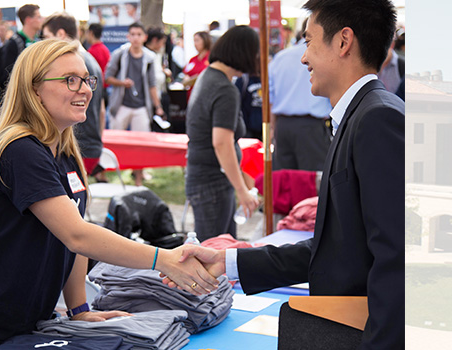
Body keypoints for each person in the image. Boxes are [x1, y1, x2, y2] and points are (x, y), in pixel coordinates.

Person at [170, 0, 404, 348]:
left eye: (309, 41)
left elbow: (396, 259)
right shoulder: (359, 116)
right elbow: (338, 249)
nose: (303, 57)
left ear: (343, 42)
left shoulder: (376, 120)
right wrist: (229, 260)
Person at [0, 39, 218, 349]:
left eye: (87, 79)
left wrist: (79, 310)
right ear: (34, 89)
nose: (85, 89)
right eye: (70, 80)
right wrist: (163, 259)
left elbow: (73, 239)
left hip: (31, 323)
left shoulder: (64, 153)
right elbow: (78, 235)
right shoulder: (20, 150)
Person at [184, 25, 261, 242]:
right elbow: (221, 143)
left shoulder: (208, 76)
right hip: (213, 183)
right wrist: (242, 190)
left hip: (206, 179)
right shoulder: (224, 89)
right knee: (214, 251)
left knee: (220, 248)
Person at [41, 12, 106, 179]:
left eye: (47, 36)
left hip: (76, 145)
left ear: (61, 34)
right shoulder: (91, 62)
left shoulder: (75, 63)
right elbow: (101, 110)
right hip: (89, 144)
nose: (44, 42)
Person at [269, 17, 332, 171]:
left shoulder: (281, 57)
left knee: (286, 183)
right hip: (309, 127)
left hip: (283, 126)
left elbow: (271, 97)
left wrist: (273, 128)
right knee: (313, 183)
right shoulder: (322, 57)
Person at [105, 22, 164, 186]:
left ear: (144, 37)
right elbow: (108, 77)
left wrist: (157, 106)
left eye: (139, 34)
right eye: (133, 34)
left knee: (141, 145)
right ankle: (112, 173)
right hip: (122, 105)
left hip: (141, 107)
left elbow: (152, 84)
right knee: (115, 141)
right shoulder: (120, 54)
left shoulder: (150, 58)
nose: (136, 38)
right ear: (128, 36)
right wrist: (122, 83)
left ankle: (138, 178)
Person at [0, 4, 42, 95]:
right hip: (20, 94)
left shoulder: (39, 41)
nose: (41, 20)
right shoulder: (14, 42)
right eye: (38, 17)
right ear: (28, 20)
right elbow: (6, 73)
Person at [182, 31, 211, 102]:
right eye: (194, 41)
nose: (195, 44)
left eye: (197, 40)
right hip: (192, 95)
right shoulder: (193, 59)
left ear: (205, 41)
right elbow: (186, 73)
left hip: (205, 95)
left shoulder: (210, 58)